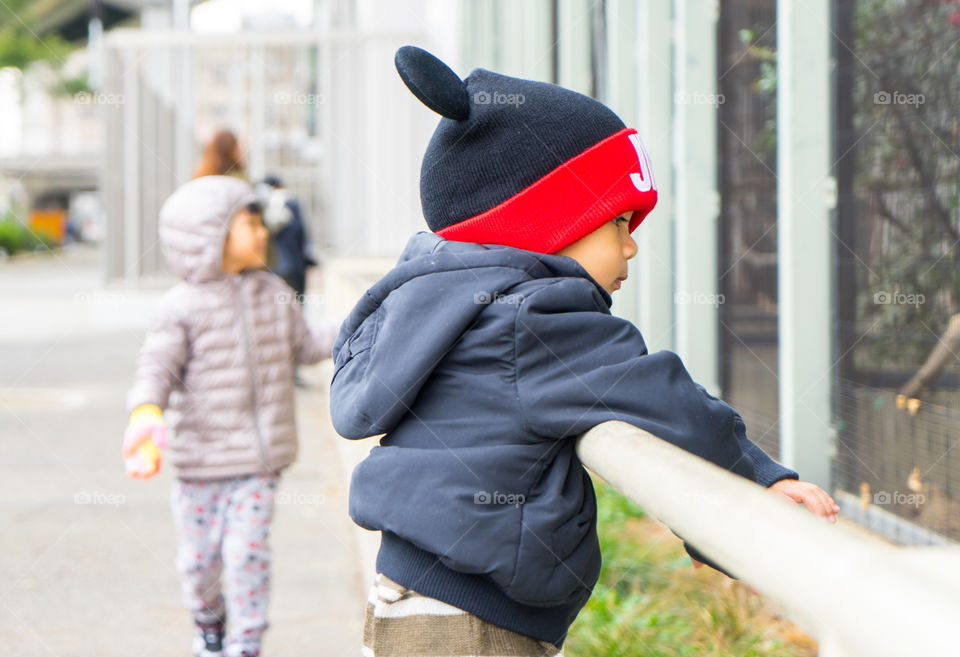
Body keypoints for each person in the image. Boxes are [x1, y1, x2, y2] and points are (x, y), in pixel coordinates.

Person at [329, 47, 840, 657]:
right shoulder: (538, 318)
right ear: (546, 222)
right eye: (619, 222)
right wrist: (755, 482)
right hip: (472, 626)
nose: (631, 249)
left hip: (411, 599)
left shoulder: (439, 303)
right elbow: (663, 400)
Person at [122, 175, 339, 657]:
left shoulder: (274, 291)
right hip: (200, 463)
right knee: (199, 563)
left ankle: (246, 643)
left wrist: (356, 328)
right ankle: (209, 623)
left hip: (257, 464)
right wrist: (144, 412)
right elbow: (155, 368)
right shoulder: (181, 306)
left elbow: (305, 346)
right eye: (250, 222)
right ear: (209, 234)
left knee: (246, 554)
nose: (263, 231)